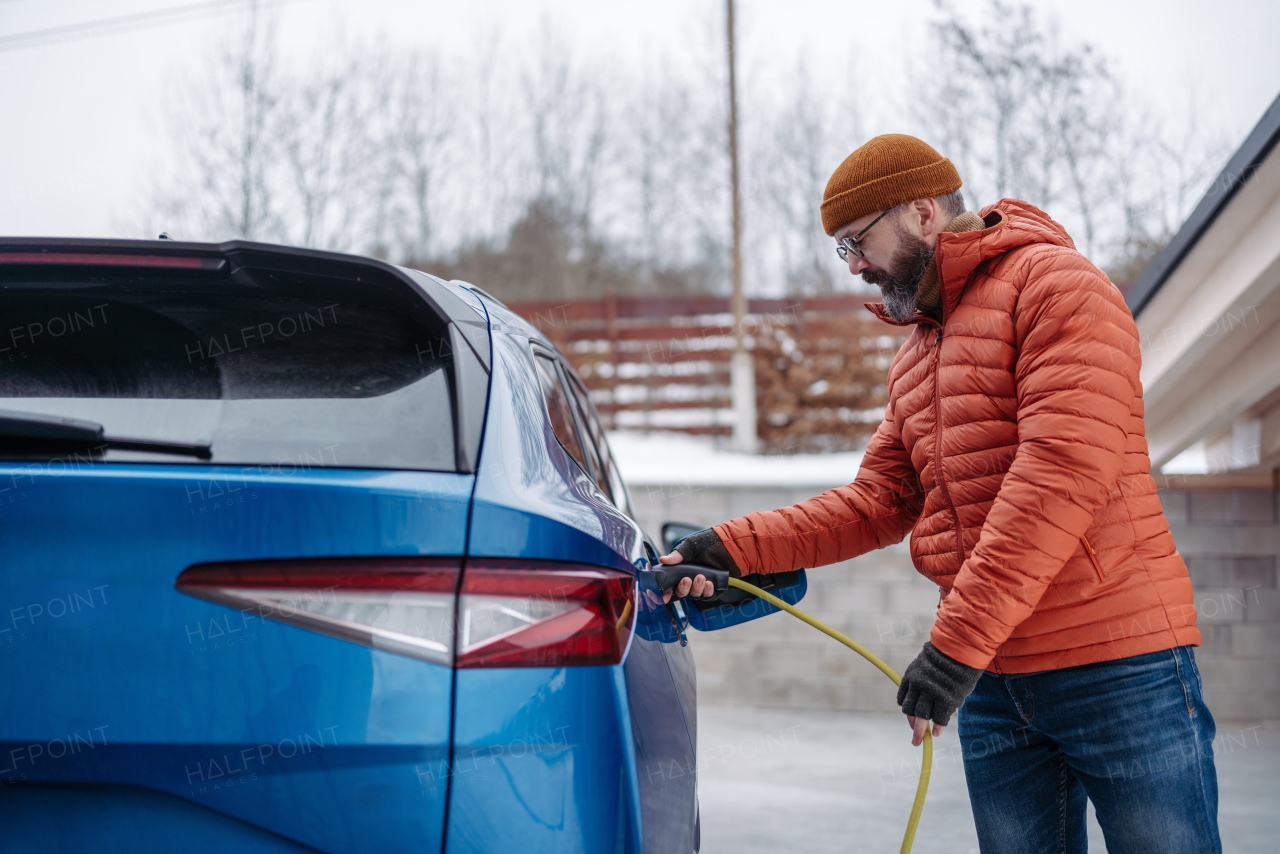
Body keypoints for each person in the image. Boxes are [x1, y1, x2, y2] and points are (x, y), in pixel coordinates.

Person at [660, 134, 1220, 853]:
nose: (855, 266)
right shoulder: (920, 353)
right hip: (994, 682)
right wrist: (730, 546)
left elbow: (1060, 473)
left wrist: (954, 647)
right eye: (842, 251)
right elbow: (878, 502)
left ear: (924, 212)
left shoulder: (1058, 288)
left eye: (857, 241)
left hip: (1117, 667)